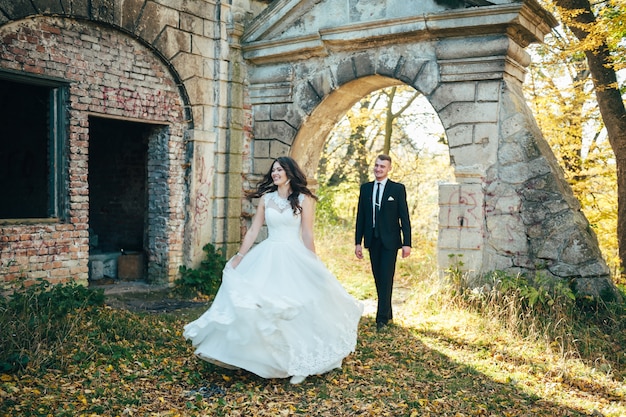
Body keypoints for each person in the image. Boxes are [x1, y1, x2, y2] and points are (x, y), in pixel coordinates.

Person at [183, 156, 363, 384]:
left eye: (279, 170)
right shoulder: (266, 199)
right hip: (268, 255)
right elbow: (253, 231)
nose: (275, 173)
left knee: (297, 306)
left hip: (294, 256)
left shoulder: (303, 199)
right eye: (273, 170)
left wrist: (314, 262)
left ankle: (302, 363)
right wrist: (239, 256)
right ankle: (270, 359)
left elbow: (307, 233)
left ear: (289, 172)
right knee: (265, 306)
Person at [355, 154, 411, 331]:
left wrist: (407, 243)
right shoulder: (365, 189)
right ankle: (388, 312)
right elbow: (361, 217)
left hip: (390, 241)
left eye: (382, 167)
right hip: (372, 240)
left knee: (386, 277)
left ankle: (381, 320)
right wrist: (358, 242)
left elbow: (404, 217)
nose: (379, 169)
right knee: (379, 278)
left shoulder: (397, 189)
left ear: (389, 169)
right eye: (377, 166)